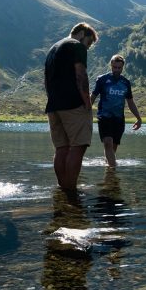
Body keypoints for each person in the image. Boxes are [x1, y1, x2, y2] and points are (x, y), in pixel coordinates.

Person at [44, 23, 98, 190]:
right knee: (78, 146)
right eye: (88, 42)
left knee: (61, 148)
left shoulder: (53, 48)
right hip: (73, 104)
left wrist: (52, 98)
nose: (87, 47)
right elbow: (80, 74)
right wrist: (87, 101)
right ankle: (71, 190)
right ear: (82, 33)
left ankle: (62, 188)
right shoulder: (76, 46)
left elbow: (46, 80)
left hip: (53, 105)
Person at [90, 54, 142, 167]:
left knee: (113, 147)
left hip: (118, 119)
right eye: (114, 67)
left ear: (122, 68)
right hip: (104, 117)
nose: (117, 70)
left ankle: (108, 166)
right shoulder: (102, 80)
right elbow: (93, 96)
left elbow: (130, 102)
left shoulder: (126, 83)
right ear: (111, 66)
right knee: (107, 142)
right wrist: (85, 112)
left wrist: (138, 118)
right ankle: (113, 170)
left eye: (119, 68)